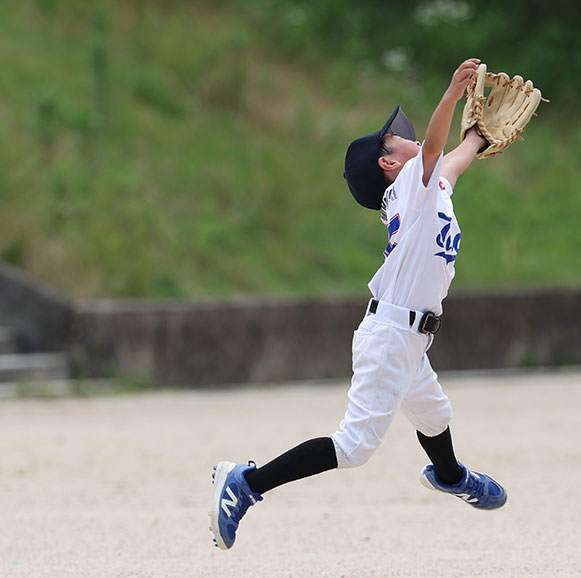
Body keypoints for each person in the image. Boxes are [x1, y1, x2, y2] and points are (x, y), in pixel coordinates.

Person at [209, 58, 506, 551]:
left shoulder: (421, 191)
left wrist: (475, 138)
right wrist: (451, 96)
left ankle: (451, 476)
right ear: (390, 165)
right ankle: (245, 483)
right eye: (400, 142)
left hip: (408, 337)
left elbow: (448, 161)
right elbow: (435, 150)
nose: (411, 140)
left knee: (434, 414)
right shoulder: (412, 184)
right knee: (353, 447)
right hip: (391, 336)